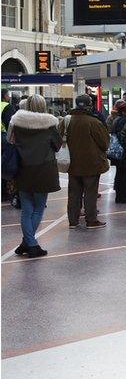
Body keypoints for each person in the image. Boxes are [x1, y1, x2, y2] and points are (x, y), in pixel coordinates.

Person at [8, 95, 61, 258]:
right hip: (44, 169)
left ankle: (27, 243)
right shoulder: (50, 123)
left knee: (26, 208)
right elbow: (57, 145)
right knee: (39, 207)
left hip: (23, 169)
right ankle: (31, 244)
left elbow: (10, 141)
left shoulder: (15, 122)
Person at [61, 94, 110, 230]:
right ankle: (91, 220)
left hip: (72, 163)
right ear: (90, 105)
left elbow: (59, 138)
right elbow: (105, 143)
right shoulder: (94, 122)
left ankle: (73, 221)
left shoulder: (67, 120)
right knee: (90, 192)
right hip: (92, 164)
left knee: (73, 193)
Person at [111, 101, 126, 204]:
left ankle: (120, 196)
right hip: (122, 151)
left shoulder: (117, 119)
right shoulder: (124, 121)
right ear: (124, 112)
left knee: (120, 174)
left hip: (116, 151)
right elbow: (123, 136)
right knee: (123, 175)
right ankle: (123, 197)